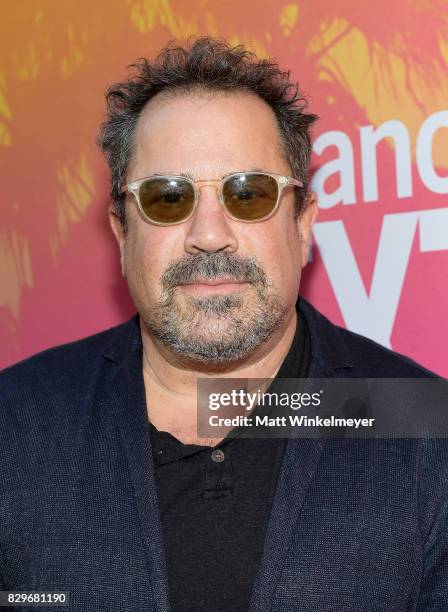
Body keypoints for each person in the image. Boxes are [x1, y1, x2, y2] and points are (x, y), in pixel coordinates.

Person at [0, 37, 447, 612]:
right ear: (120, 231)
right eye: (167, 197)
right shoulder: (16, 420)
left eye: (249, 193)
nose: (209, 234)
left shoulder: (423, 431)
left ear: (303, 223)